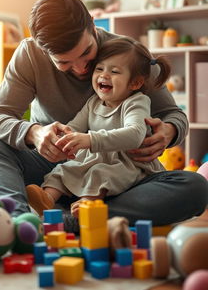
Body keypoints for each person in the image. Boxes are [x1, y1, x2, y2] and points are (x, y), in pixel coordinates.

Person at [0, 0, 207, 236]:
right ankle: (18, 225)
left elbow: (174, 115)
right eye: (64, 63)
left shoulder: (127, 55)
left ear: (93, 25)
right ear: (44, 51)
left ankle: (70, 220)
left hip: (119, 172)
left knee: (195, 187)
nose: (81, 68)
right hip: (53, 166)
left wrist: (169, 132)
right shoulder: (30, 55)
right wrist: (35, 133)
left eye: (86, 53)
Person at [26, 37, 170, 218]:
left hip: (128, 164)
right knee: (64, 170)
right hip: (98, 158)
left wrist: (90, 139)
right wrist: (62, 136)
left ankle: (87, 205)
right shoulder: (93, 103)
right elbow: (74, 126)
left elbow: (135, 134)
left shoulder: (136, 102)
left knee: (100, 173)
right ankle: (46, 199)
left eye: (115, 71)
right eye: (99, 69)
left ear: (135, 83)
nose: (104, 75)